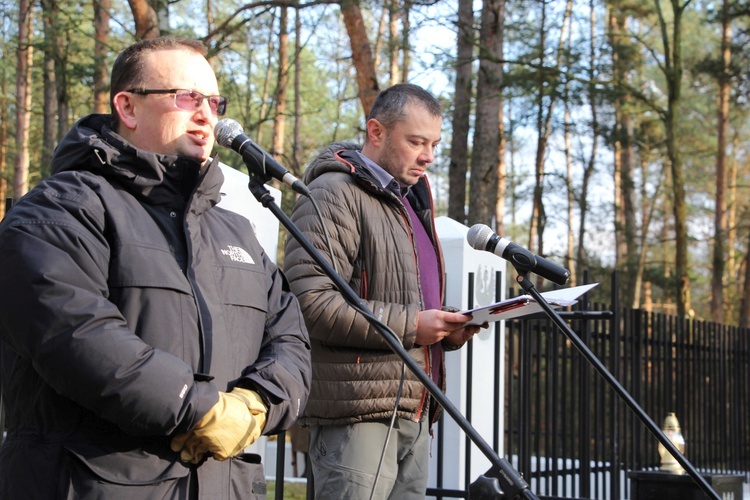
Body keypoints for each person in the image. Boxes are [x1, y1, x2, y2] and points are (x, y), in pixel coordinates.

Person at [0, 36, 311, 499]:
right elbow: (76, 335)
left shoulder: (236, 231)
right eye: (186, 97)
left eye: (213, 100)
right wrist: (199, 410)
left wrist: (257, 403)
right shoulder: (58, 211)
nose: (207, 113)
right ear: (127, 107)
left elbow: (291, 339)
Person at [283, 83, 484, 499]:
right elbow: (310, 302)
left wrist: (446, 327)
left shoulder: (410, 204)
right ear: (376, 132)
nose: (428, 156)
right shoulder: (333, 194)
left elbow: (400, 301)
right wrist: (413, 325)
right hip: (356, 416)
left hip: (413, 409)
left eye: (434, 144)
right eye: (416, 141)